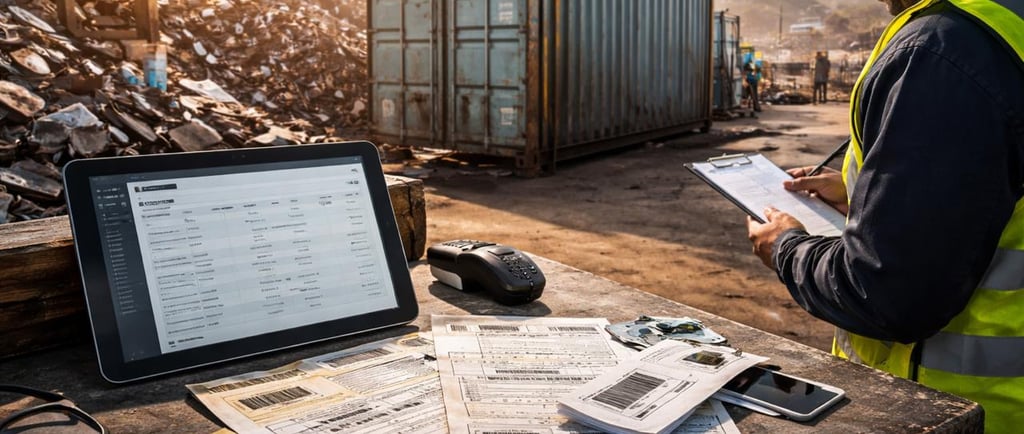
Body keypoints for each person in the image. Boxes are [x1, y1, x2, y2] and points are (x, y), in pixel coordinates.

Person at [744, 0, 1024, 432]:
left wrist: (786, 247)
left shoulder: (941, 50)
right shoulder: (1008, 29)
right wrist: (866, 192)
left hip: (966, 411)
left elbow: (887, 295)